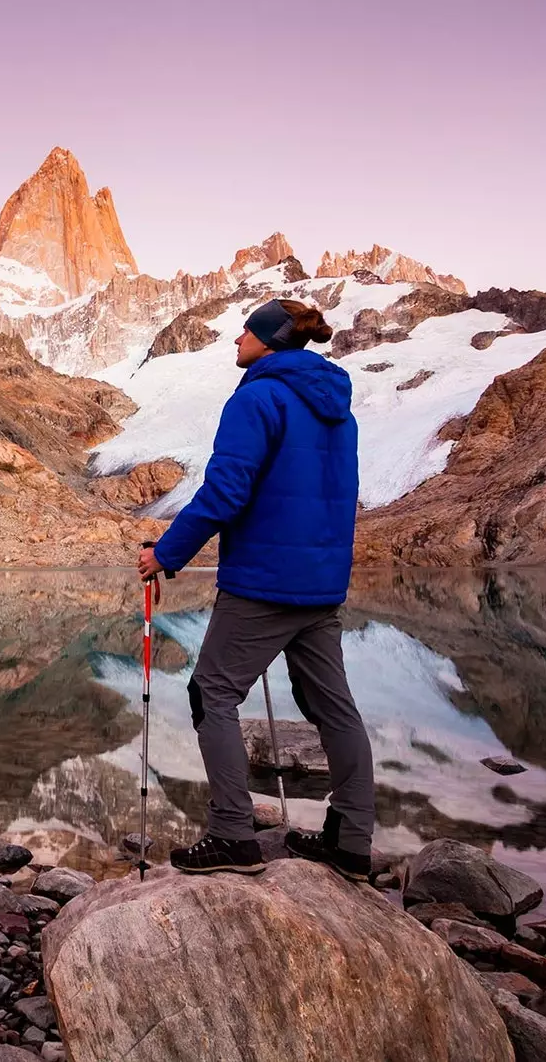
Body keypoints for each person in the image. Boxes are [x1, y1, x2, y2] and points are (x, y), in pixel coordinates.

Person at [136, 298, 375, 881]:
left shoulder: (256, 398)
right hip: (320, 585)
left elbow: (225, 493)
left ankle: (231, 835)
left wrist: (165, 555)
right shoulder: (337, 407)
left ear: (268, 339)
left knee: (211, 694)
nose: (235, 340)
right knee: (333, 707)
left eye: (244, 330)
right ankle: (352, 841)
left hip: (264, 581)